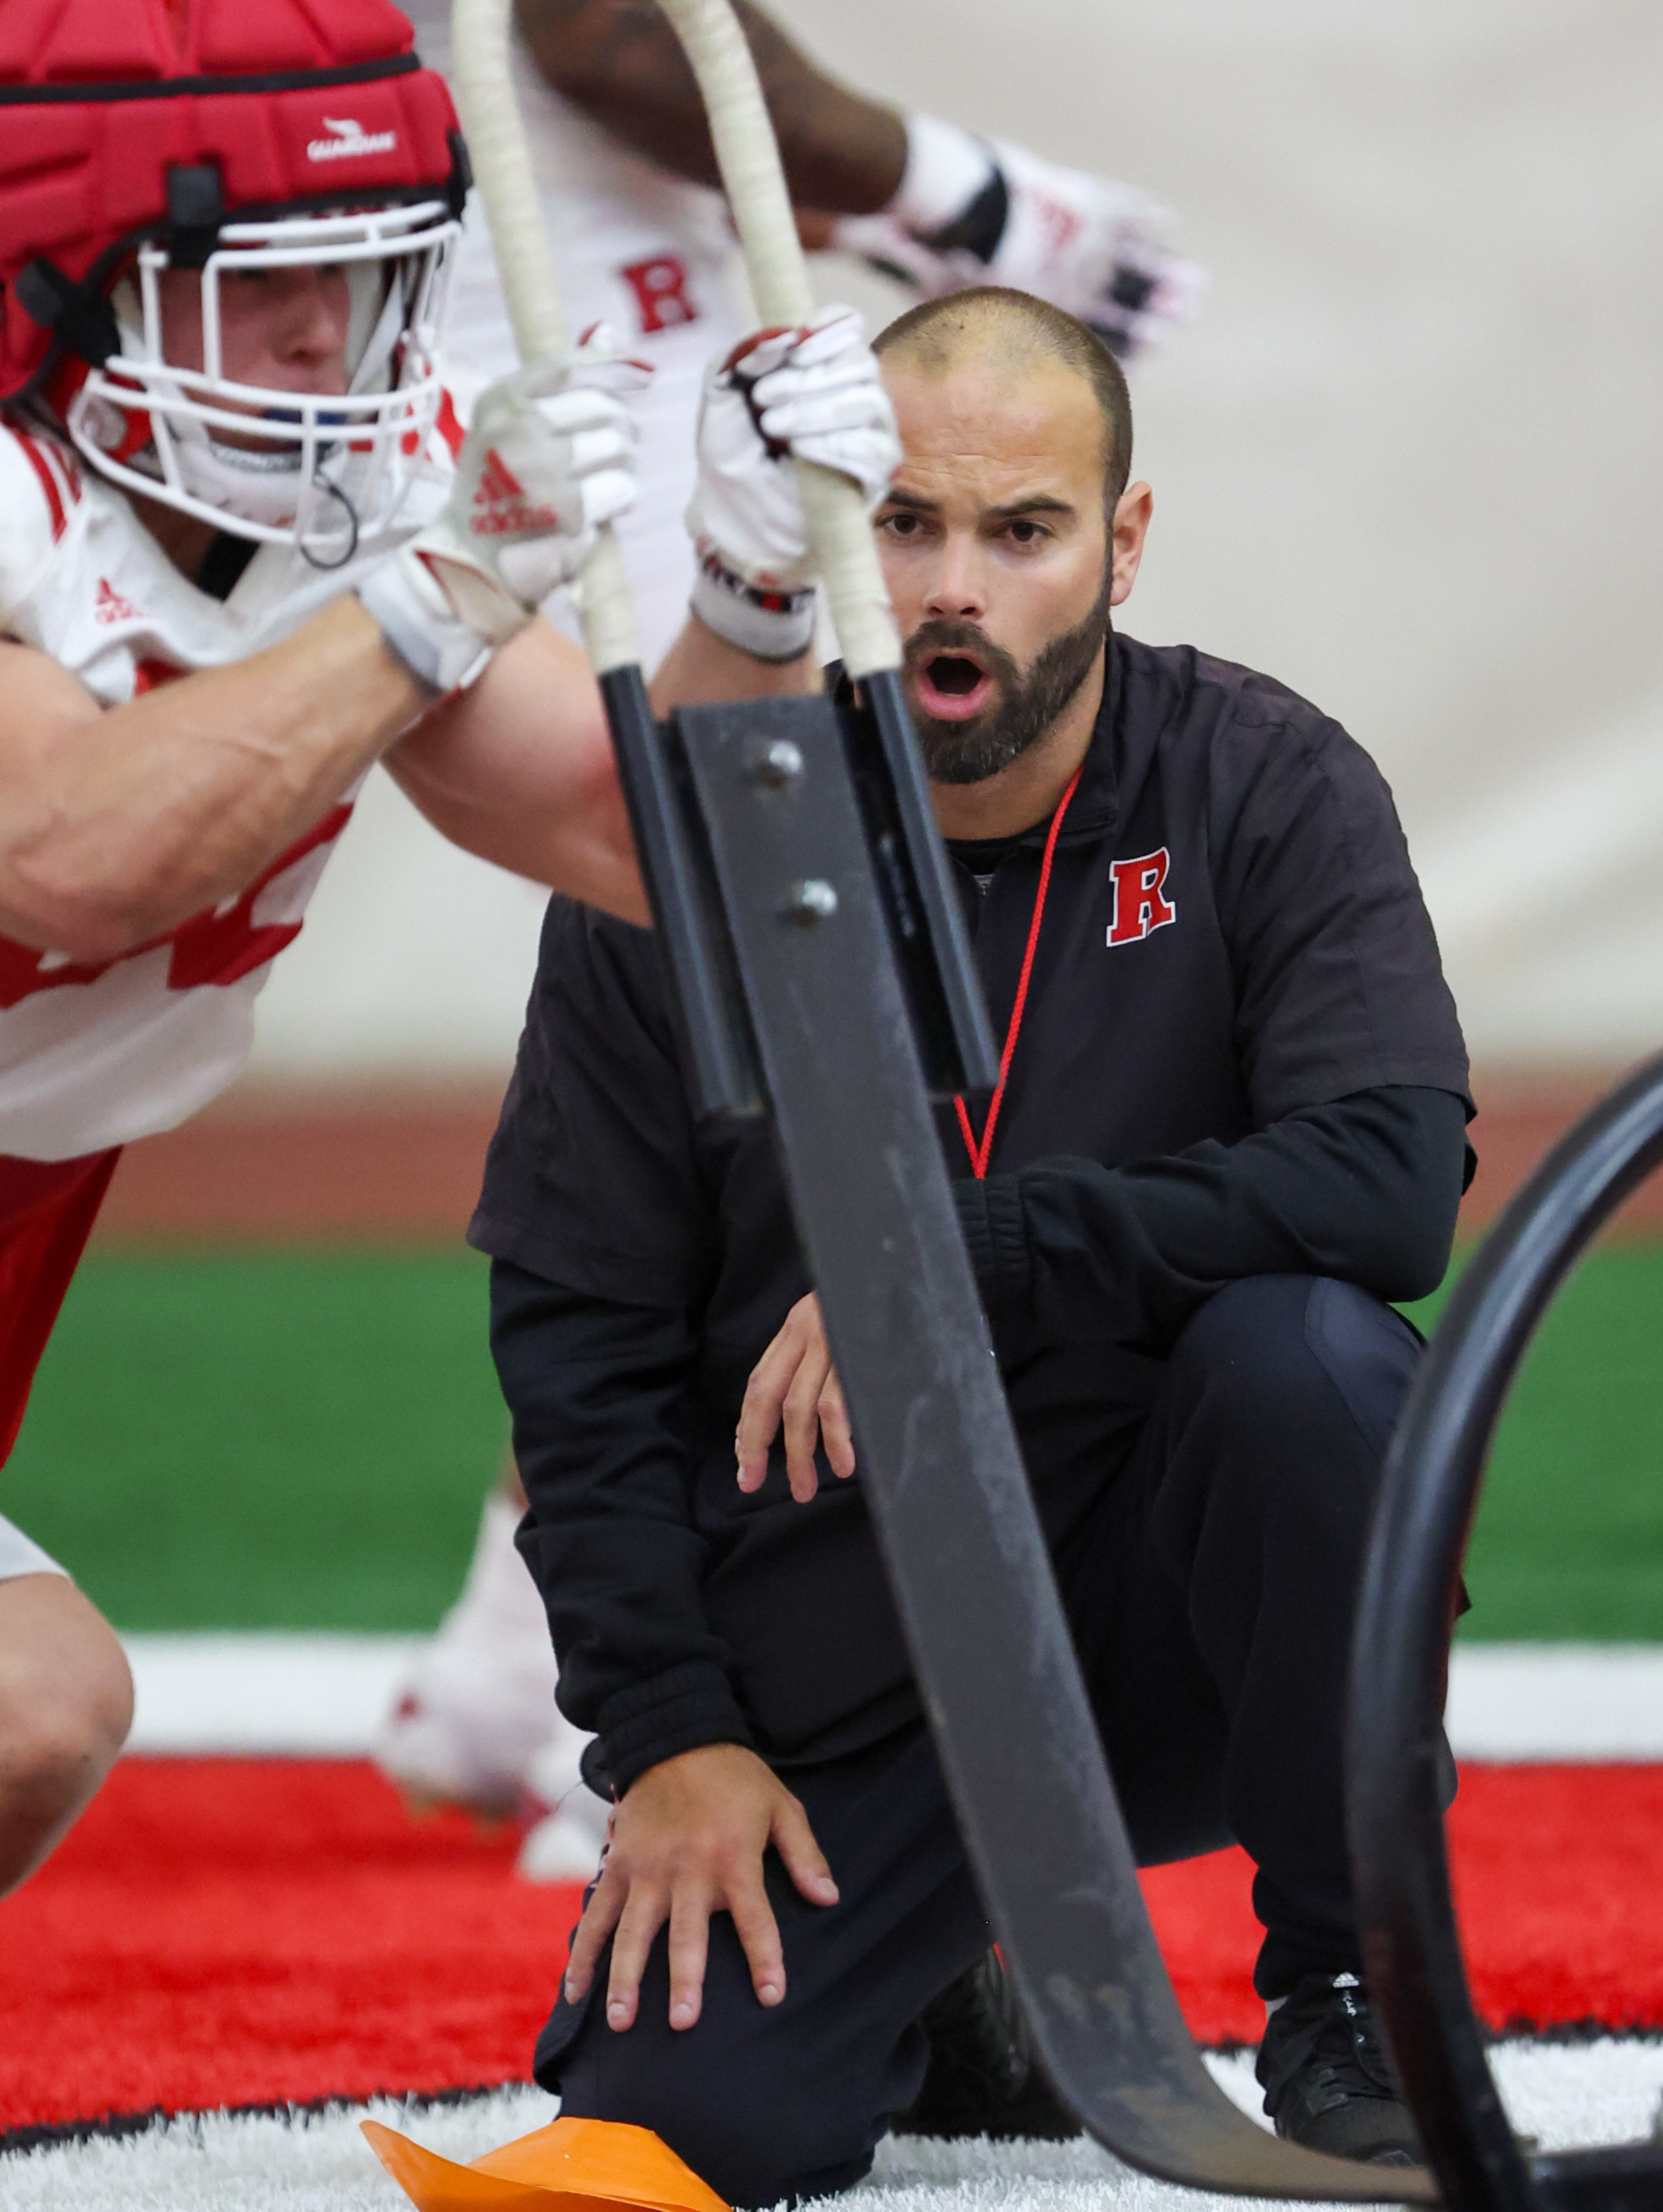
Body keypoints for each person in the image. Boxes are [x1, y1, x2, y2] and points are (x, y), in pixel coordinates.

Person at [0, 0, 897, 2212]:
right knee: (1, 1710)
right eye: (264, 274)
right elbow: (61, 855)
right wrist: (422, 597)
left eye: (371, 271)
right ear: (62, 272)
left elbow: (645, 838)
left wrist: (756, 595)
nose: (331, 338)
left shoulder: (336, 515)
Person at [470, 286, 1475, 2210]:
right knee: (687, 2133)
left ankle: (1352, 1977)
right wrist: (667, 1740)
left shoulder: (1261, 781)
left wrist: (956, 1258)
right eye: (902, 525)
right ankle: (952, 1984)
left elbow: (1386, 1186)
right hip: (846, 1650)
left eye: (1019, 532)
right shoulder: (679, 828)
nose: (953, 587)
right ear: (833, 532)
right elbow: (573, 1336)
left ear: (1121, 538)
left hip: (1157, 1625)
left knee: (1313, 1362)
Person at [377, 0, 1205, 1879]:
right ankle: (667, 1687)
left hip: (526, 303)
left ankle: (519, 1658)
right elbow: (604, 27)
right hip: (543, 340)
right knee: (791, 997)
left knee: (744, 972)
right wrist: (968, 197)